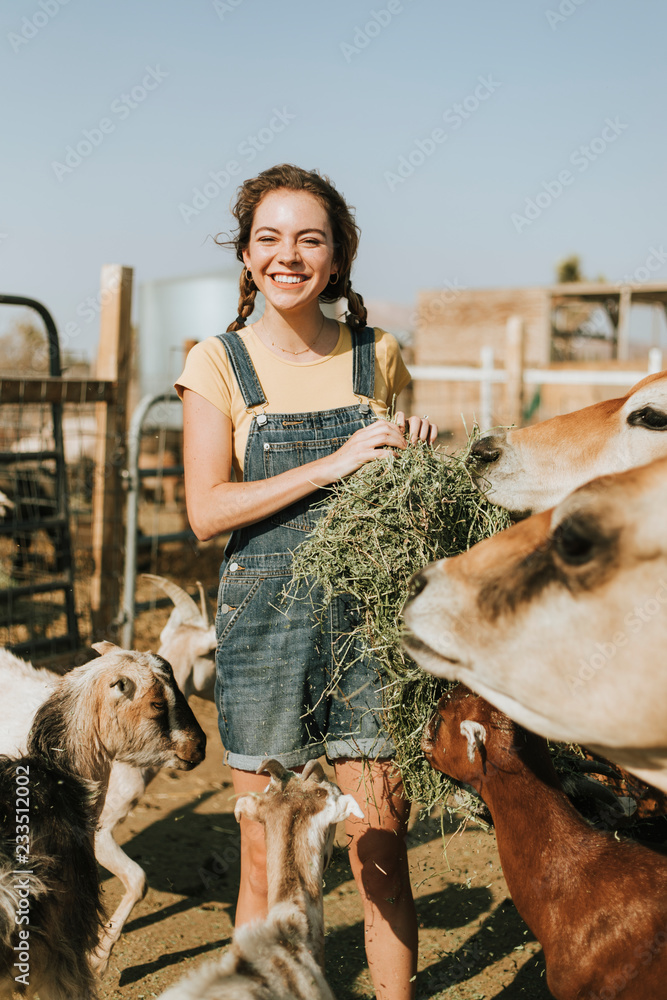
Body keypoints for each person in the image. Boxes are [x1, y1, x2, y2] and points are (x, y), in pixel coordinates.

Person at [176, 163, 437, 1000]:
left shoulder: (377, 355)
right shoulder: (215, 362)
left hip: (367, 630)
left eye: (309, 239)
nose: (289, 255)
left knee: (380, 857)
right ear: (247, 256)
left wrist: (415, 461)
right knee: (269, 861)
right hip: (263, 629)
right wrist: (334, 463)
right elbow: (207, 511)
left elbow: (395, 500)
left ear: (336, 258)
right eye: (270, 238)